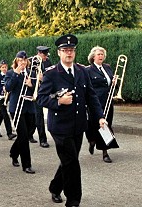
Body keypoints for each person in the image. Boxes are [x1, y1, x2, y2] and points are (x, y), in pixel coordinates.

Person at [37, 34, 106, 207]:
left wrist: (100, 116)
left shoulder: (82, 71)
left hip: (78, 125)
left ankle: (55, 187)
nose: (69, 53)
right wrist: (58, 101)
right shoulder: (52, 73)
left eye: (71, 50)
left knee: (69, 160)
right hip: (60, 127)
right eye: (65, 50)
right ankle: (73, 200)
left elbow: (91, 96)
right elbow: (41, 98)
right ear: (59, 53)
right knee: (72, 163)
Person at [85, 46, 119, 163]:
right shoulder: (88, 70)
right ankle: (92, 141)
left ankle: (105, 152)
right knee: (93, 125)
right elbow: (87, 88)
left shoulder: (108, 68)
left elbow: (109, 84)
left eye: (102, 54)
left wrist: (114, 83)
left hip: (108, 101)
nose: (101, 56)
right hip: (95, 103)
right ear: (93, 57)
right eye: (98, 54)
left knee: (106, 125)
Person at [5, 51, 36, 174]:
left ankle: (13, 153)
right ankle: (26, 165)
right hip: (16, 108)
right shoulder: (11, 73)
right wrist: (16, 74)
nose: (23, 62)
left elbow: (38, 90)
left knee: (28, 133)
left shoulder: (31, 73)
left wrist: (31, 85)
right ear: (16, 61)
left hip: (29, 107)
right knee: (23, 137)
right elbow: (8, 88)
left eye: (24, 60)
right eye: (20, 60)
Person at [0, 60, 17, 140]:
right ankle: (9, 133)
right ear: (0, 68)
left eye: (5, 67)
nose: (4, 69)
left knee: (2, 114)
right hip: (0, 97)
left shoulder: (9, 75)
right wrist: (1, 89)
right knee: (5, 114)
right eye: (2, 67)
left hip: (7, 96)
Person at [34, 46, 52, 147]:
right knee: (38, 115)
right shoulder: (32, 62)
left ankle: (29, 134)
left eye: (46, 55)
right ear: (39, 53)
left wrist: (43, 78)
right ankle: (42, 139)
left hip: (46, 91)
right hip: (36, 91)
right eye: (44, 55)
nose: (45, 57)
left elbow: (51, 75)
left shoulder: (47, 62)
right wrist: (37, 78)